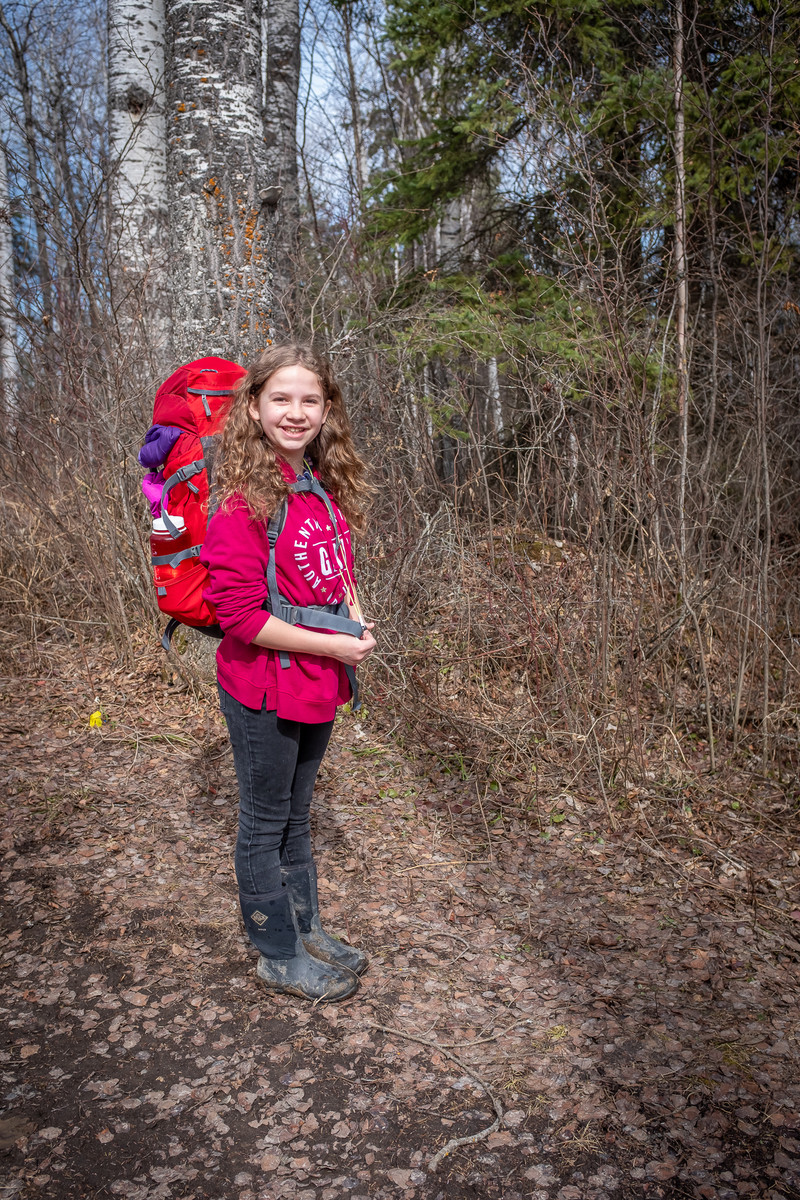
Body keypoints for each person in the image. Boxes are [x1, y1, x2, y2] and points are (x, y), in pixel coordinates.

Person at [201, 343, 376, 1002]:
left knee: (298, 817)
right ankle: (276, 952)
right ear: (254, 407)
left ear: (327, 408)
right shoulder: (242, 501)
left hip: (317, 681)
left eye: (309, 399)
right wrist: (332, 648)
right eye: (281, 398)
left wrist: (355, 624)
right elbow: (242, 618)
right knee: (265, 821)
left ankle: (307, 929)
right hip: (263, 687)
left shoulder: (323, 487)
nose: (295, 412)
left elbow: (339, 572)